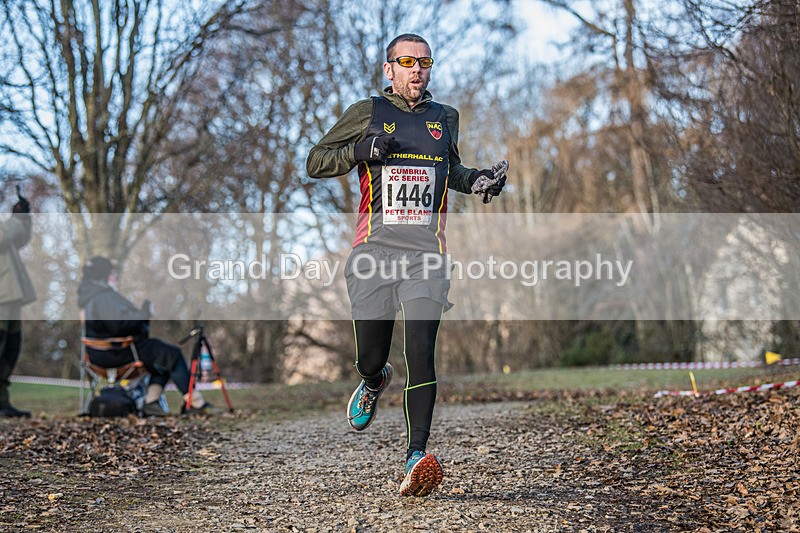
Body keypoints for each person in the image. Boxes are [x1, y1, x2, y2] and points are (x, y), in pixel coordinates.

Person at [306, 33, 507, 497]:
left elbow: (449, 170)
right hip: (375, 252)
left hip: (425, 256)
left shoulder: (444, 118)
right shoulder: (367, 113)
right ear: (389, 69)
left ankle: (417, 455)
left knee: (421, 350)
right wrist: (360, 151)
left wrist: (477, 180)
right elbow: (316, 160)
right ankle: (373, 380)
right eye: (407, 61)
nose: (417, 69)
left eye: (425, 61)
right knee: (371, 355)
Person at [77, 256, 215, 416]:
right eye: (111, 273)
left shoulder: (88, 297)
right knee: (173, 355)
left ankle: (152, 402)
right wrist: (145, 312)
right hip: (118, 353)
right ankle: (195, 402)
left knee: (162, 360)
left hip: (97, 356)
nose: (114, 276)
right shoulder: (104, 296)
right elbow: (119, 326)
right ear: (103, 275)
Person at [0, 190, 36, 418]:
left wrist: (23, 218)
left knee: (10, 349)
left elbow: (17, 239)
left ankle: (1, 402)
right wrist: (15, 219)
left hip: (8, 295)